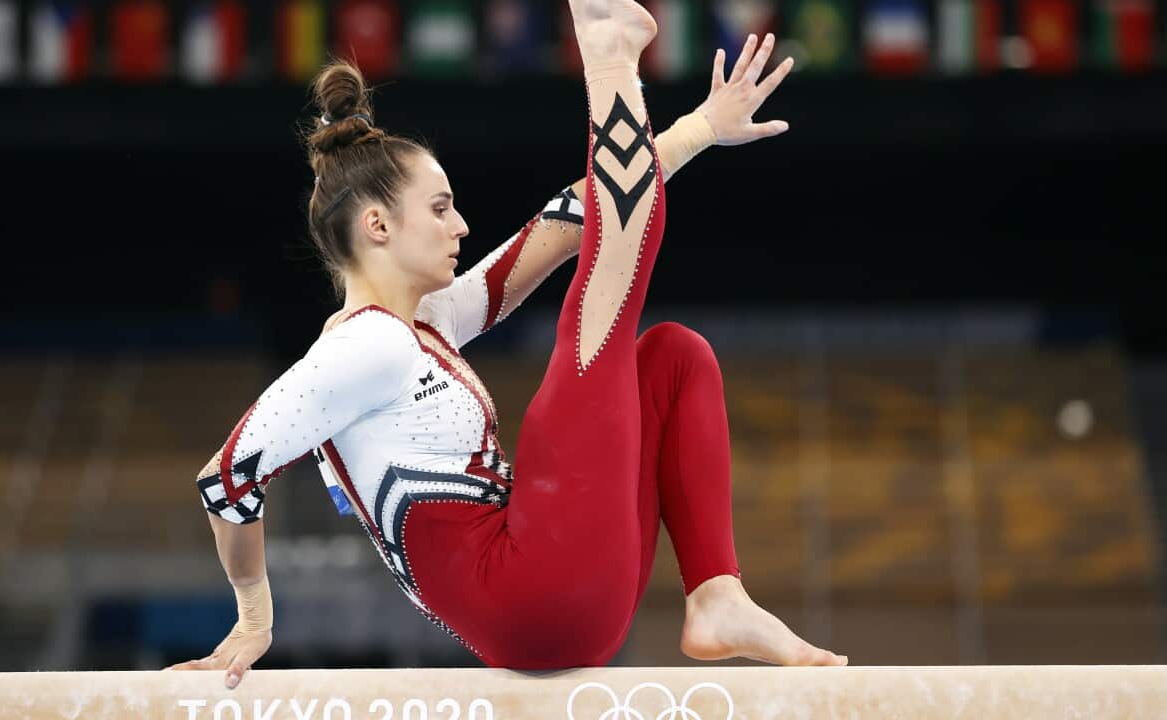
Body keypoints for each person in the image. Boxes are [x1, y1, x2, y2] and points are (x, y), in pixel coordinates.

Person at [167, 0, 848, 689]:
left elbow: (567, 218)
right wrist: (256, 617)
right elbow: (226, 478)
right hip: (529, 588)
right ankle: (608, 53)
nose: (461, 225)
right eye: (439, 208)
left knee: (671, 359)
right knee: (610, 284)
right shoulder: (368, 346)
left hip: (560, 605)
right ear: (377, 225)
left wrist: (697, 129)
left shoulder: (421, 326)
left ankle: (714, 593)